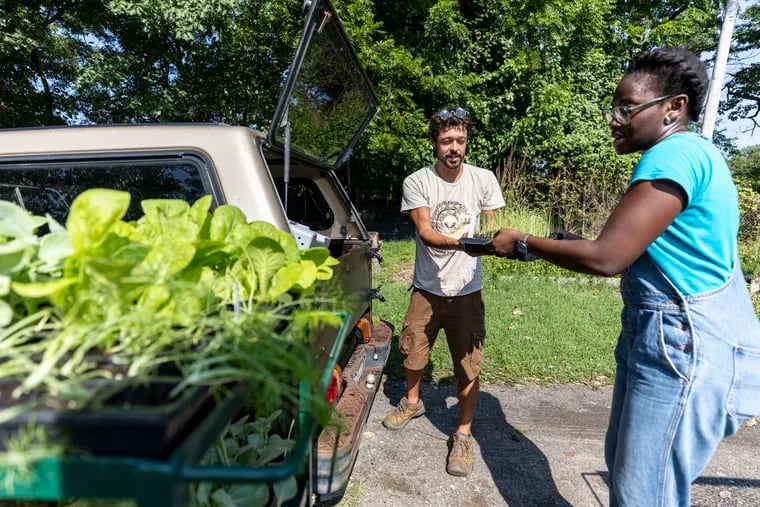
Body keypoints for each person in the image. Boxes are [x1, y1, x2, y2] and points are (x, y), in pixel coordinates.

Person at [490, 46, 760, 506]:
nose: (613, 118)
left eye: (626, 107)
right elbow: (643, 252)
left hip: (685, 346)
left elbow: (607, 258)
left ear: (674, 106)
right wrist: (572, 242)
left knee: (642, 493)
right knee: (630, 475)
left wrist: (521, 243)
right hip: (675, 340)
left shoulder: (672, 156)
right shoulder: (697, 155)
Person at [382, 105, 505, 477]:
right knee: (413, 352)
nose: (454, 147)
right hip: (426, 287)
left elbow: (495, 227)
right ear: (435, 143)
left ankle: (463, 434)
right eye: (447, 140)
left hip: (468, 289)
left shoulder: (483, 179)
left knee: (468, 366)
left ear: (466, 142)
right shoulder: (417, 181)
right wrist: (467, 243)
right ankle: (413, 401)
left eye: (460, 140)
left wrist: (492, 242)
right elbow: (425, 231)